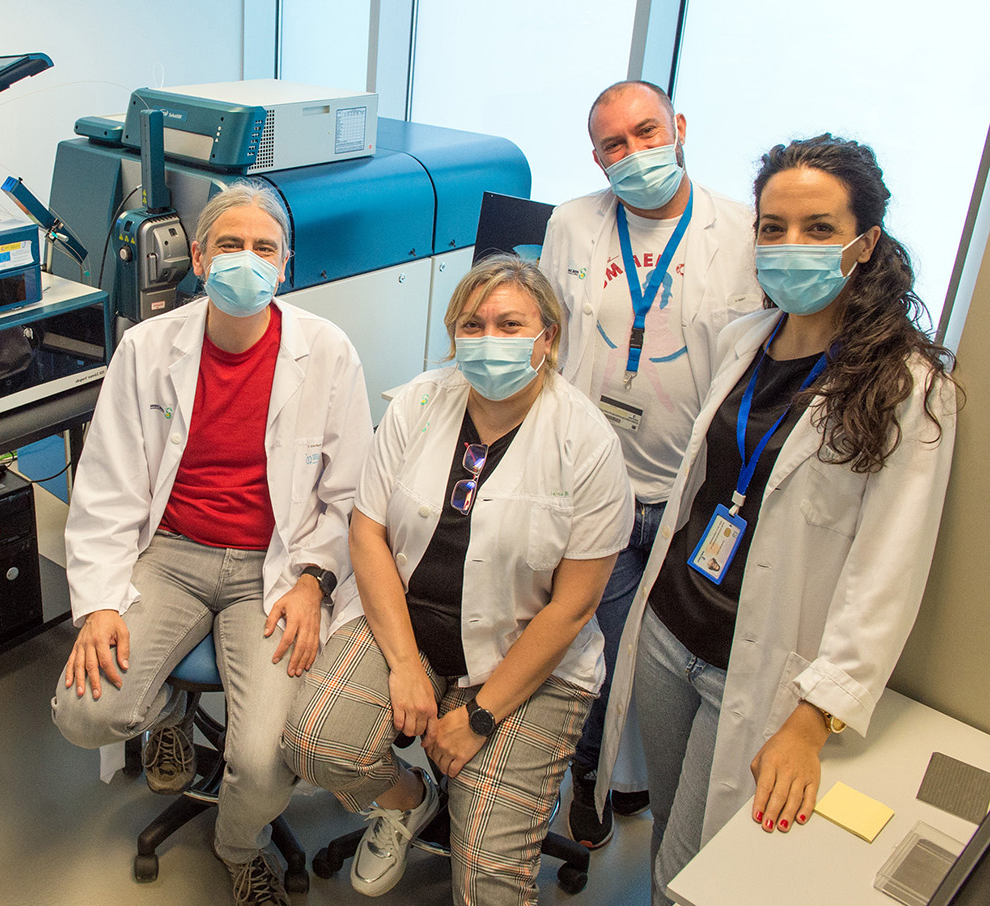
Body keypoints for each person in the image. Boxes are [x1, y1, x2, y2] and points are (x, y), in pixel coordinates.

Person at [595, 134, 960, 905]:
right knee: (667, 829)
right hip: (667, 629)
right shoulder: (741, 340)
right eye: (772, 227)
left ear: (864, 244)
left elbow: (886, 571)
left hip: (752, 665)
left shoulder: (906, 388)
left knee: (695, 872)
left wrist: (810, 719)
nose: (790, 246)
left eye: (818, 229)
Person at [50, 180, 372, 906]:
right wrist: (101, 604)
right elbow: (105, 484)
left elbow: (348, 497)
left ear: (285, 265)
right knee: (84, 712)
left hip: (276, 568)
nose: (246, 261)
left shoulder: (326, 352)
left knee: (262, 764)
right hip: (173, 552)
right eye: (229, 245)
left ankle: (238, 847)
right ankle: (168, 714)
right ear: (198, 257)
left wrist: (313, 583)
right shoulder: (147, 347)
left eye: (264, 249)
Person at [283, 255, 634, 905]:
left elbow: (573, 606)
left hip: (523, 659)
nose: (488, 338)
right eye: (472, 324)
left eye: (510, 324)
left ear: (547, 337)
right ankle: (406, 800)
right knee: (315, 743)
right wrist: (403, 666)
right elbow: (367, 533)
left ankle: (481, 792)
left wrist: (477, 714)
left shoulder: (586, 443)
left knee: (488, 881)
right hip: (406, 625)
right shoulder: (418, 402)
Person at [537, 79, 763, 849]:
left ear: (680, 127)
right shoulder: (571, 224)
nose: (633, 154)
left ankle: (638, 784)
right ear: (596, 158)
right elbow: (548, 336)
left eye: (646, 132)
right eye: (614, 144)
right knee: (596, 649)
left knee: (664, 667)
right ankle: (591, 781)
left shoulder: (742, 234)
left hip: (688, 498)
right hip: (593, 484)